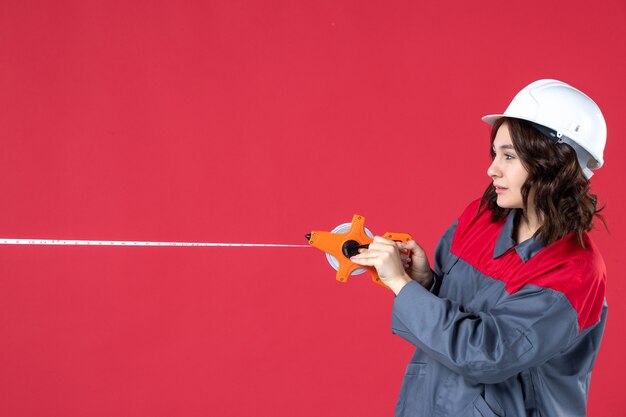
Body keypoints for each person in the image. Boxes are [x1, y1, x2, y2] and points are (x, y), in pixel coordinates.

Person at [350, 79, 608, 417]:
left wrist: (401, 285)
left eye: (509, 156)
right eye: (495, 153)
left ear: (554, 165)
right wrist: (426, 283)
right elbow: (460, 316)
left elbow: (489, 354)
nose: (492, 169)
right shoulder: (480, 218)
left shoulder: (573, 274)